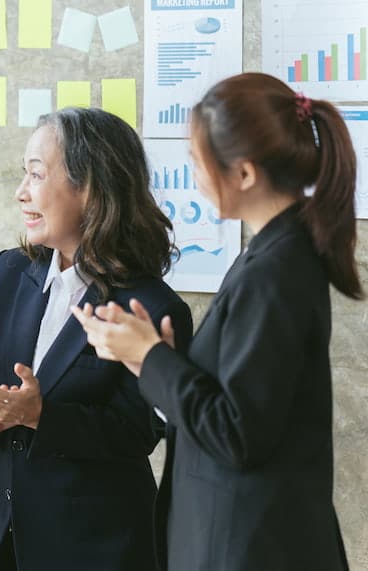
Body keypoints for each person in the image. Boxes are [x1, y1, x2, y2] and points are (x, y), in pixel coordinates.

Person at [72, 72, 362, 571]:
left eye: (197, 158)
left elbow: (237, 433)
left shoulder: (276, 271)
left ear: (244, 174)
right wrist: (153, 364)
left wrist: (149, 357)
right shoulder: (273, 255)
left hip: (250, 547)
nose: (192, 172)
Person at [0, 107, 194, 571]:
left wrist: (41, 416)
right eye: (24, 174)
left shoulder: (151, 309)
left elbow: (139, 431)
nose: (21, 192)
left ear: (92, 188)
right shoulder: (7, 272)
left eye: (36, 175)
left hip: (94, 549)